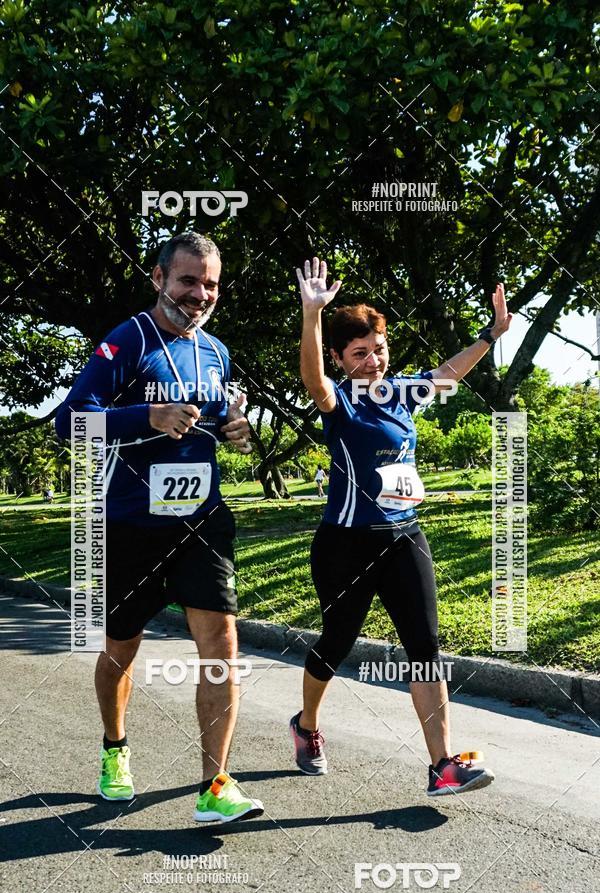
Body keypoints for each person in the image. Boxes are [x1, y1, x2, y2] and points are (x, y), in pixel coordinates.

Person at [55, 232, 264, 824]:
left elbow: (224, 417)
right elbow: (69, 423)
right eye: (188, 281)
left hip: (200, 521)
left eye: (211, 284)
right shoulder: (127, 341)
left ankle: (215, 785)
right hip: (131, 525)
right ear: (158, 279)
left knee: (221, 646)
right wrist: (145, 414)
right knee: (122, 646)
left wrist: (237, 429)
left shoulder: (216, 351)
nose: (199, 295)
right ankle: (115, 748)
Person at [289, 257, 512, 796]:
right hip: (344, 544)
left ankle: (441, 766)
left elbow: (448, 373)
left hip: (404, 536)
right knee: (337, 641)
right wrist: (312, 315)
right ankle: (307, 725)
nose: (373, 361)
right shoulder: (337, 400)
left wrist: (492, 333)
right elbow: (310, 376)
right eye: (360, 353)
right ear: (342, 358)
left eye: (379, 349)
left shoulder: (400, 394)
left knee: (425, 645)